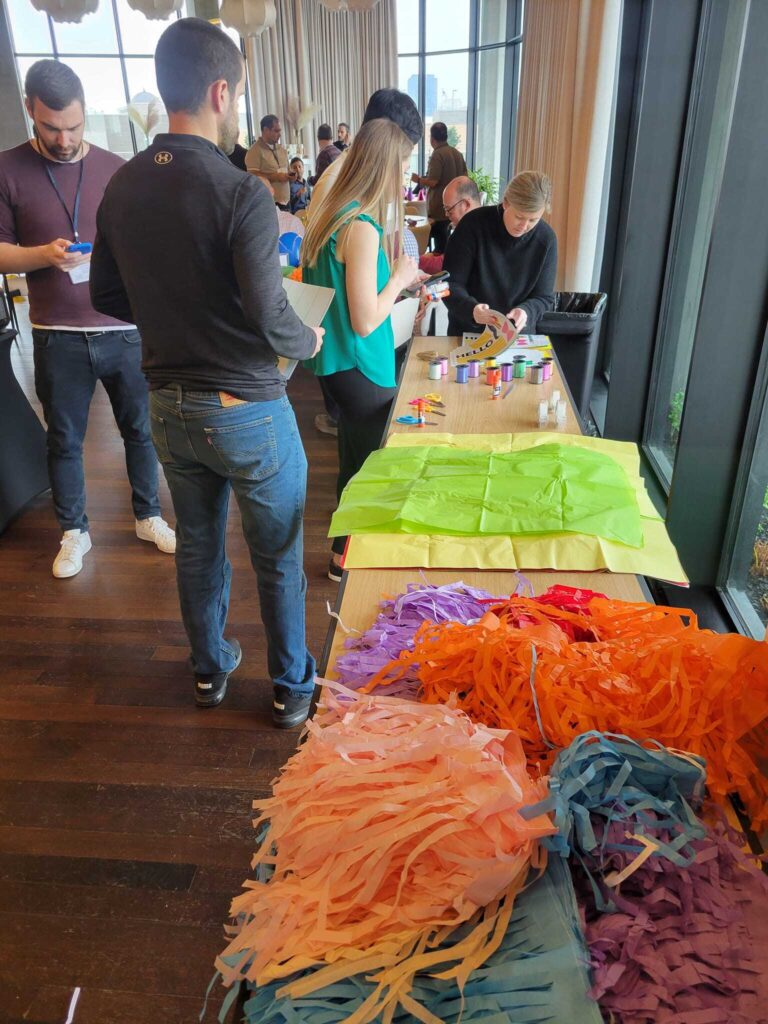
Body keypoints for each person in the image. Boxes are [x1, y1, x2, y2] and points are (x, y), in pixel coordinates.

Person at [90, 18, 323, 729]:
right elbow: (269, 311)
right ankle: (288, 688)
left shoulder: (122, 185)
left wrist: (171, 316)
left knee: (198, 546)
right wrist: (307, 340)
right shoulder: (241, 191)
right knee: (277, 551)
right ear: (222, 91)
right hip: (246, 406)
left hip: (168, 406)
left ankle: (208, 672)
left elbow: (104, 295)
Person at [0, 59, 175, 579]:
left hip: (123, 328)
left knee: (140, 431)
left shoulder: (113, 166)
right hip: (57, 335)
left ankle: (148, 515)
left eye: (74, 126)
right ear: (31, 110)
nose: (64, 138)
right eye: (53, 127)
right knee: (65, 439)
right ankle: (74, 532)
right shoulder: (8, 169)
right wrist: (43, 256)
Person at [301, 119, 418, 582]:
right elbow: (366, 318)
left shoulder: (329, 215)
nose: (407, 175)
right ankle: (355, 559)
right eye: (404, 164)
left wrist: (398, 286)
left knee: (355, 460)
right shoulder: (362, 228)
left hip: (336, 366)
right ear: (386, 166)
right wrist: (401, 280)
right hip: (362, 366)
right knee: (372, 468)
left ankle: (342, 553)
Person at [443, 171, 556, 337]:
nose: (524, 226)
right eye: (519, 217)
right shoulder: (472, 225)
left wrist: (526, 311)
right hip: (468, 332)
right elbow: (449, 284)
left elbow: (544, 297)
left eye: (533, 220)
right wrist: (472, 309)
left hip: (517, 336)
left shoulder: (546, 239)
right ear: (506, 203)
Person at [307, 89, 423, 223]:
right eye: (402, 152)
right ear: (382, 133)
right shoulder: (334, 183)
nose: (405, 162)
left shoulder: (372, 178)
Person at [411, 122, 467, 254]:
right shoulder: (458, 154)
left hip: (439, 206)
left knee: (439, 247)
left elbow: (433, 181)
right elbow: (465, 178)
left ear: (432, 138)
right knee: (447, 243)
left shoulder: (438, 154)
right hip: (456, 206)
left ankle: (439, 270)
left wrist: (418, 180)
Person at [419, 174, 481, 274]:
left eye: (449, 209)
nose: (446, 214)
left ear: (466, 204)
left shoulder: (472, 231)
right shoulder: (481, 223)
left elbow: (446, 265)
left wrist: (415, 261)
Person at [245, 114, 292, 210]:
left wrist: (291, 176)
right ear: (266, 130)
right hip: (269, 205)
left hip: (287, 202)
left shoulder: (282, 149)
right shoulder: (254, 151)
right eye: (276, 131)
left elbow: (288, 170)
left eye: (280, 131)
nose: (280, 134)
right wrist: (275, 177)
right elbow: (252, 177)